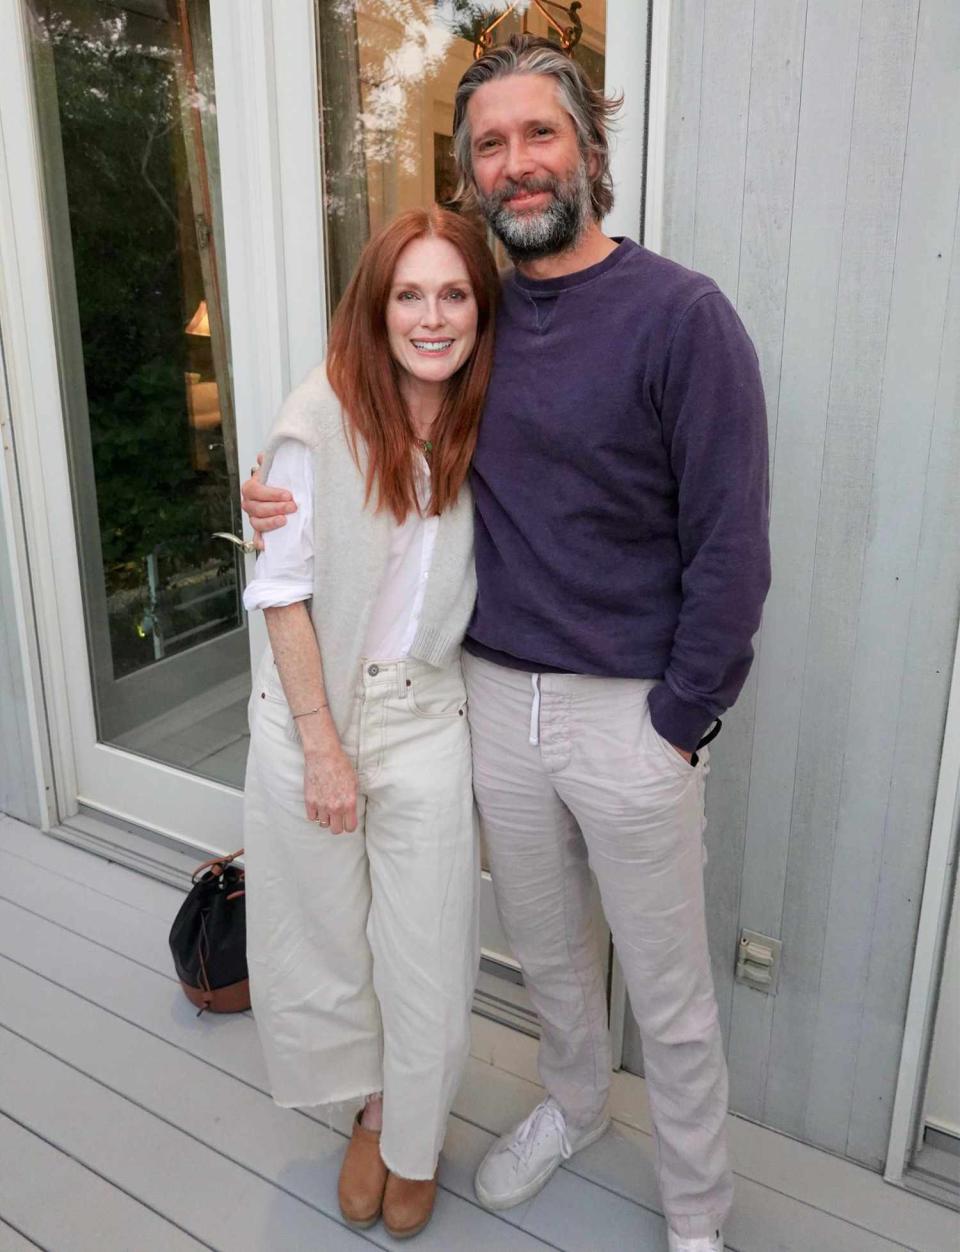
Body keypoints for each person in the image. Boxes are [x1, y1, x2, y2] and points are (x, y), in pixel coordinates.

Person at [243, 35, 771, 1252]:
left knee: (671, 990)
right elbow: (356, 429)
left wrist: (680, 719)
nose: (518, 163)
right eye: (491, 144)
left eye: (541, 135)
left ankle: (697, 1216)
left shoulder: (683, 318)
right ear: (471, 174)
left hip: (630, 713)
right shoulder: (474, 325)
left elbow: (732, 547)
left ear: (590, 148)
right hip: (487, 701)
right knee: (543, 956)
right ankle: (576, 1105)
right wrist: (274, 492)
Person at [242, 205, 499, 1240]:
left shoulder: (491, 414)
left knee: (428, 947)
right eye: (410, 294)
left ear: (480, 311)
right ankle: (375, 1108)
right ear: (376, 304)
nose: (431, 318)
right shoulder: (323, 415)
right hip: (317, 712)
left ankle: (417, 1132)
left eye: (454, 295)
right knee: (331, 939)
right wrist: (323, 747)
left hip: (425, 709)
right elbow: (283, 592)